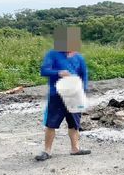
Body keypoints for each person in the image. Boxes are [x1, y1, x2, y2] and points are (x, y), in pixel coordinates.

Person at [35, 27, 91, 161]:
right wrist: (58, 72)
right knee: (51, 123)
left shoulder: (79, 57)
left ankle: (75, 149)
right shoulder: (52, 54)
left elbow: (84, 75)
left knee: (74, 123)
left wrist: (83, 90)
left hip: (74, 94)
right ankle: (47, 151)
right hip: (57, 94)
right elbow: (44, 70)